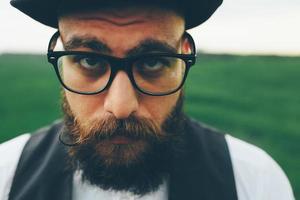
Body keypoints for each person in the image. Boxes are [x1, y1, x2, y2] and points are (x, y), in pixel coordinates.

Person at [0, 0, 295, 199]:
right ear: (61, 52)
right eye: (88, 61)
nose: (121, 106)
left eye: (153, 62)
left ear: (185, 55)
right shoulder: (6, 176)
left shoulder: (254, 182)